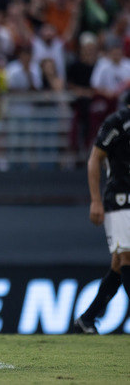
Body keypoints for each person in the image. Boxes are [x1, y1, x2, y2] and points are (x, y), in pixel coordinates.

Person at [74, 92, 130, 334]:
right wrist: (96, 200)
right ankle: (87, 318)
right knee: (127, 256)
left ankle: (87, 318)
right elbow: (95, 158)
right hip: (119, 198)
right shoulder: (117, 122)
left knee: (119, 263)